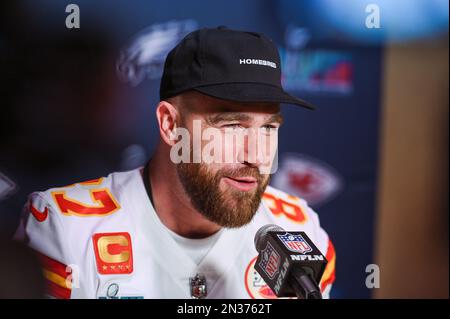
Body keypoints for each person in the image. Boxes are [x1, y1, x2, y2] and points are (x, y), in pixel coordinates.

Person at [14, 27, 335, 299]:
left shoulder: (302, 233)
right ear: (169, 124)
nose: (255, 156)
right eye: (231, 126)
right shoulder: (66, 230)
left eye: (268, 128)